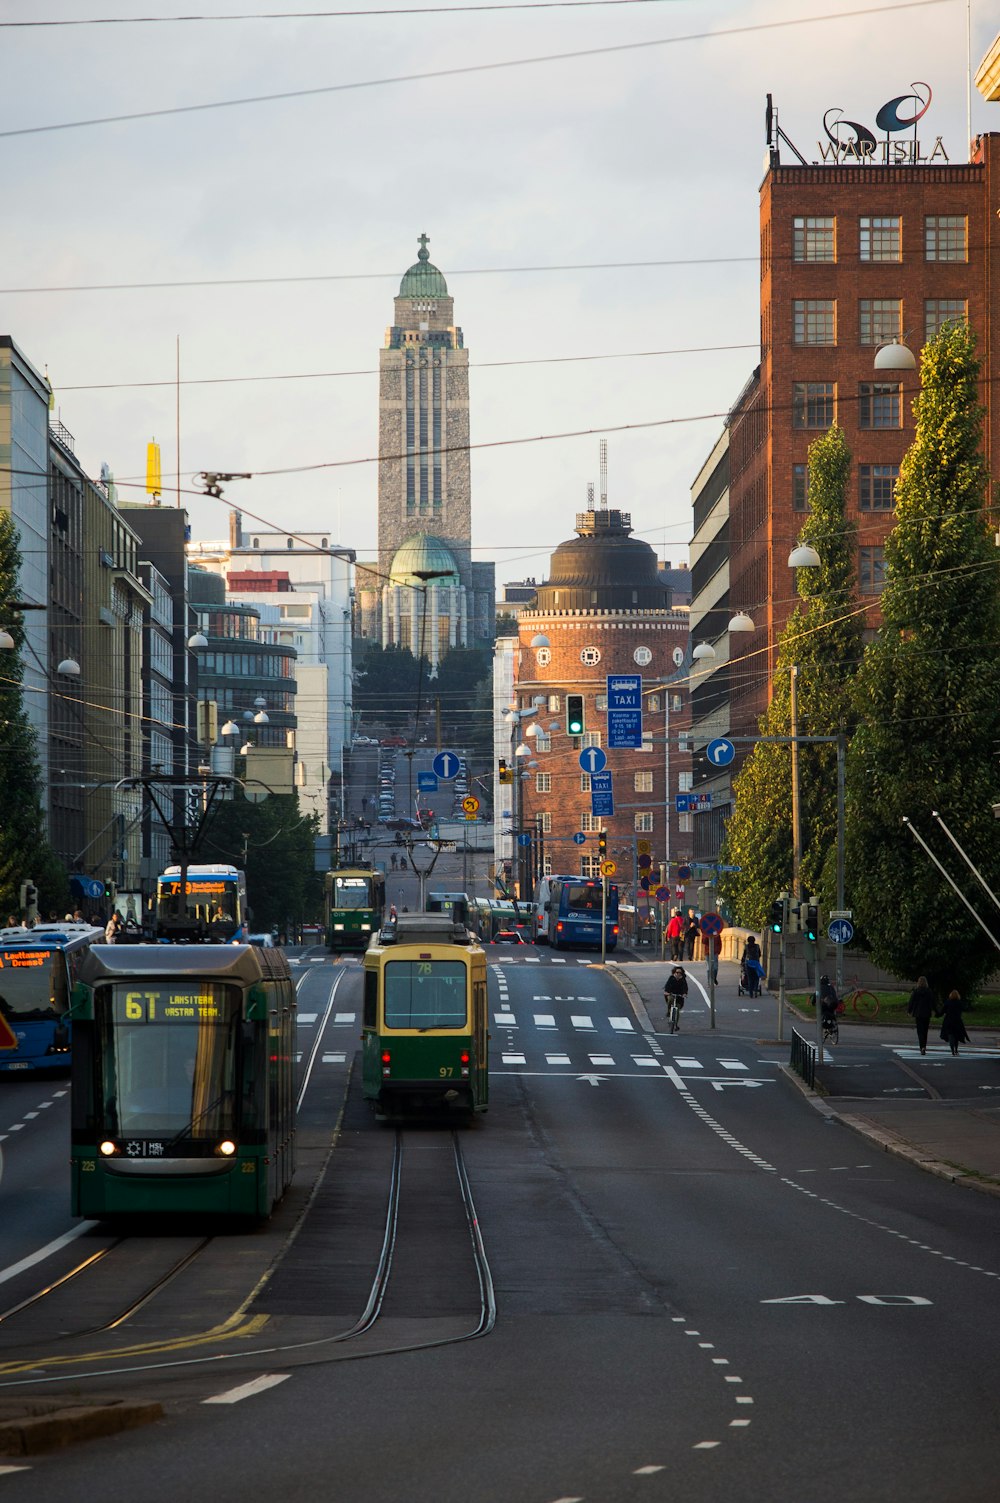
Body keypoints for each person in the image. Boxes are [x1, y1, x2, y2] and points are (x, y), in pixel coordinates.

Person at [906, 975, 938, 1055]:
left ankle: (921, 1047)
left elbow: (911, 1002)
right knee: (925, 1031)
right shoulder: (929, 991)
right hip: (927, 1013)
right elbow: (933, 1003)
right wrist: (936, 1011)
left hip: (918, 1013)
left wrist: (909, 1011)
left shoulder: (916, 992)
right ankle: (924, 1046)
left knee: (920, 1031)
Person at [939, 989, 970, 1057]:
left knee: (950, 1035)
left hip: (948, 1021)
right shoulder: (959, 1003)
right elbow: (964, 1008)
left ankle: (952, 1050)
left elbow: (942, 1011)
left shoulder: (948, 1002)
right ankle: (956, 1049)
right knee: (956, 1036)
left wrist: (938, 1014)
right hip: (957, 1021)